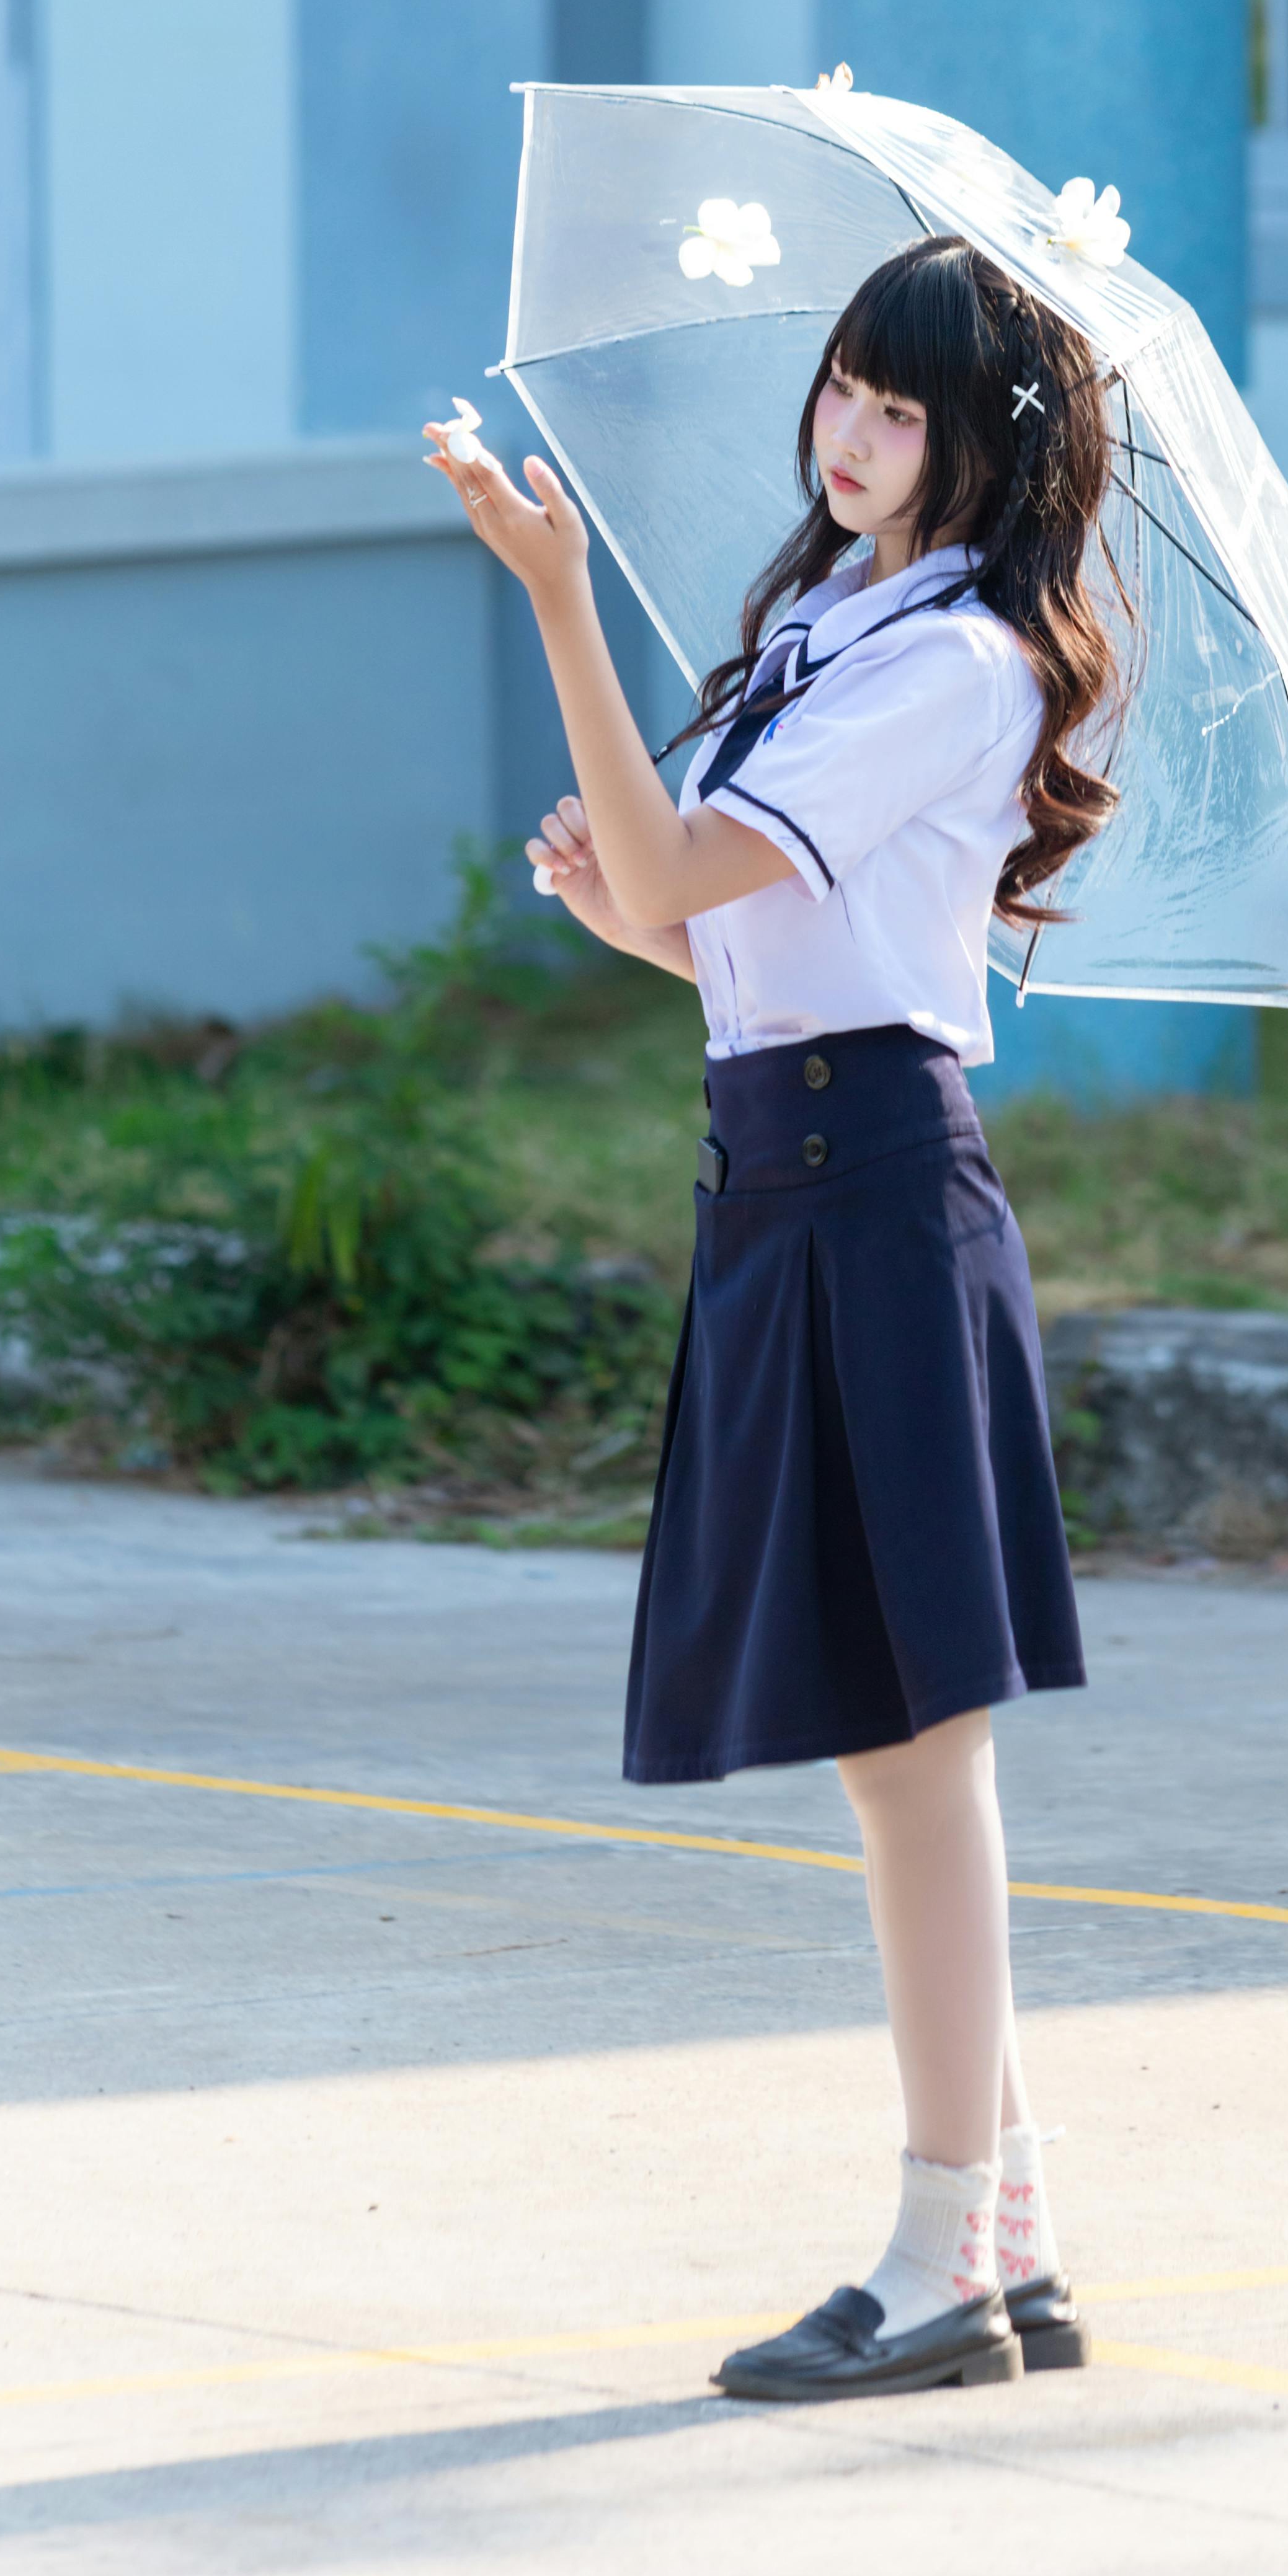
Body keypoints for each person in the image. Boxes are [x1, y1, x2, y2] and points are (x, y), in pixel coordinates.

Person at [424, 232, 1125, 2404]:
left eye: (902, 410)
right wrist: (620, 907)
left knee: (912, 1754)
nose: (851, 434)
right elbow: (724, 939)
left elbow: (702, 883)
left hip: (875, 1193)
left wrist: (557, 601)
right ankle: (1009, 2233)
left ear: (984, 448)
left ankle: (939, 2265)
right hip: (794, 1178)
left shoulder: (957, 664)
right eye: (841, 388)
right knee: (892, 1748)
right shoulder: (838, 626)